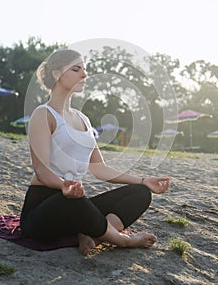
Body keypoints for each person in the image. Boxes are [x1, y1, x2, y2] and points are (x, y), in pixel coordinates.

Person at [20, 49, 169, 256]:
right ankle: (122, 240)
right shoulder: (43, 114)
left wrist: (142, 180)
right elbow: (41, 171)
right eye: (76, 69)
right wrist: (64, 185)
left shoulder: (83, 119)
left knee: (140, 193)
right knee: (72, 201)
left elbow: (99, 169)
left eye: (84, 69)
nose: (84, 74)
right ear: (56, 74)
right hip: (44, 209)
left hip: (76, 202)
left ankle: (93, 235)